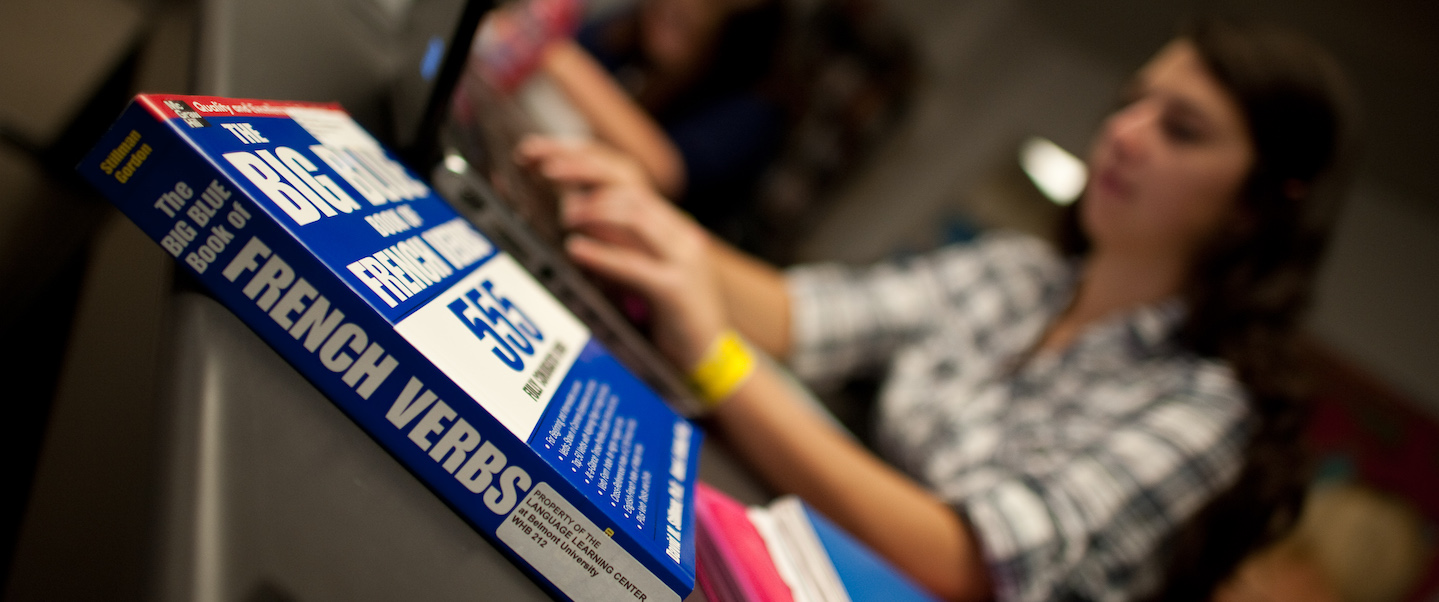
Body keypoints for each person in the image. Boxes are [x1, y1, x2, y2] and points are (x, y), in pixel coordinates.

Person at [518, 19, 1355, 602]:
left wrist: (721, 364)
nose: (1125, 133)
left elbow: (964, 560)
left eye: (1181, 129)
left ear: (1259, 202)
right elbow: (803, 313)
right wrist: (646, 215)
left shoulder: (1207, 410)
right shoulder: (1020, 275)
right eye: (1131, 103)